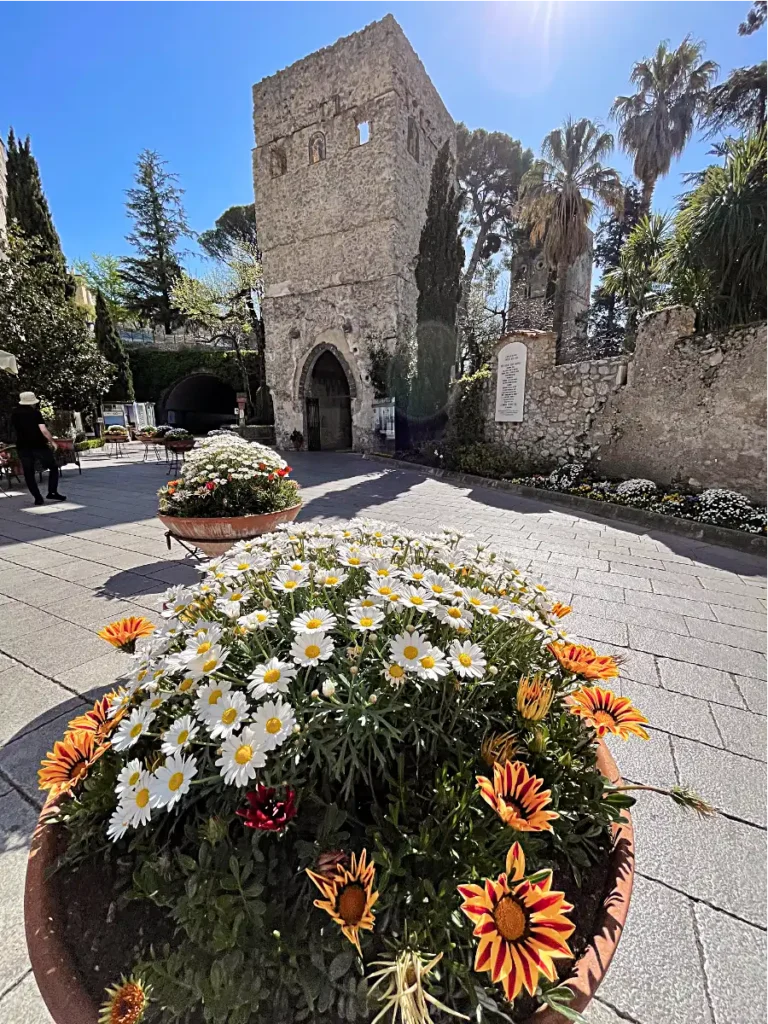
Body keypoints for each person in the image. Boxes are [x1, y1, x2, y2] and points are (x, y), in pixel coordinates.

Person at [11, 392, 67, 506]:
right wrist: (52, 442)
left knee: (29, 473)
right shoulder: (35, 413)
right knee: (53, 467)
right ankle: (52, 491)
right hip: (38, 445)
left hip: (23, 446)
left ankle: (38, 498)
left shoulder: (14, 414)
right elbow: (43, 430)